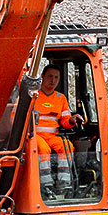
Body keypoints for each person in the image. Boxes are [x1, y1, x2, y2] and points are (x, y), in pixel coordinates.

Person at [33, 64, 80, 198]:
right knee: (43, 149)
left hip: (52, 135)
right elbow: (15, 117)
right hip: (35, 135)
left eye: (56, 77)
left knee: (67, 147)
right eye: (49, 76)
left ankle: (64, 184)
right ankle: (46, 185)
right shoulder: (32, 96)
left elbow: (65, 121)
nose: (52, 80)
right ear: (42, 77)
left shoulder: (61, 98)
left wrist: (71, 121)